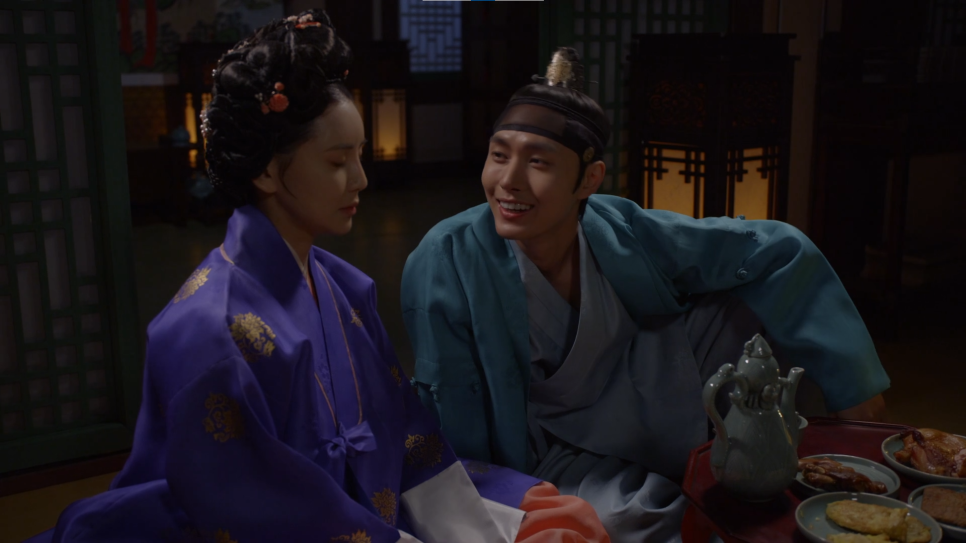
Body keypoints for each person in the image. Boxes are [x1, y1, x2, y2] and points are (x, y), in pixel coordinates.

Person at [24, 16, 610, 543]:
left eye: (359, 156)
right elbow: (256, 511)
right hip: (244, 525)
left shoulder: (341, 285)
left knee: (561, 523)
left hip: (359, 499)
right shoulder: (207, 332)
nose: (360, 179)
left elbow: (402, 426)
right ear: (266, 170)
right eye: (336, 161)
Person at [400, 48, 890, 542]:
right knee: (626, 519)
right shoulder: (446, 260)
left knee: (746, 305)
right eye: (499, 155)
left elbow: (777, 250)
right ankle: (692, 477)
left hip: (649, 390)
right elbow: (455, 419)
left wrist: (855, 389)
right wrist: (505, 501)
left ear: (589, 180)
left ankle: (757, 455)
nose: (508, 182)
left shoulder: (616, 228)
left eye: (539, 162)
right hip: (549, 444)